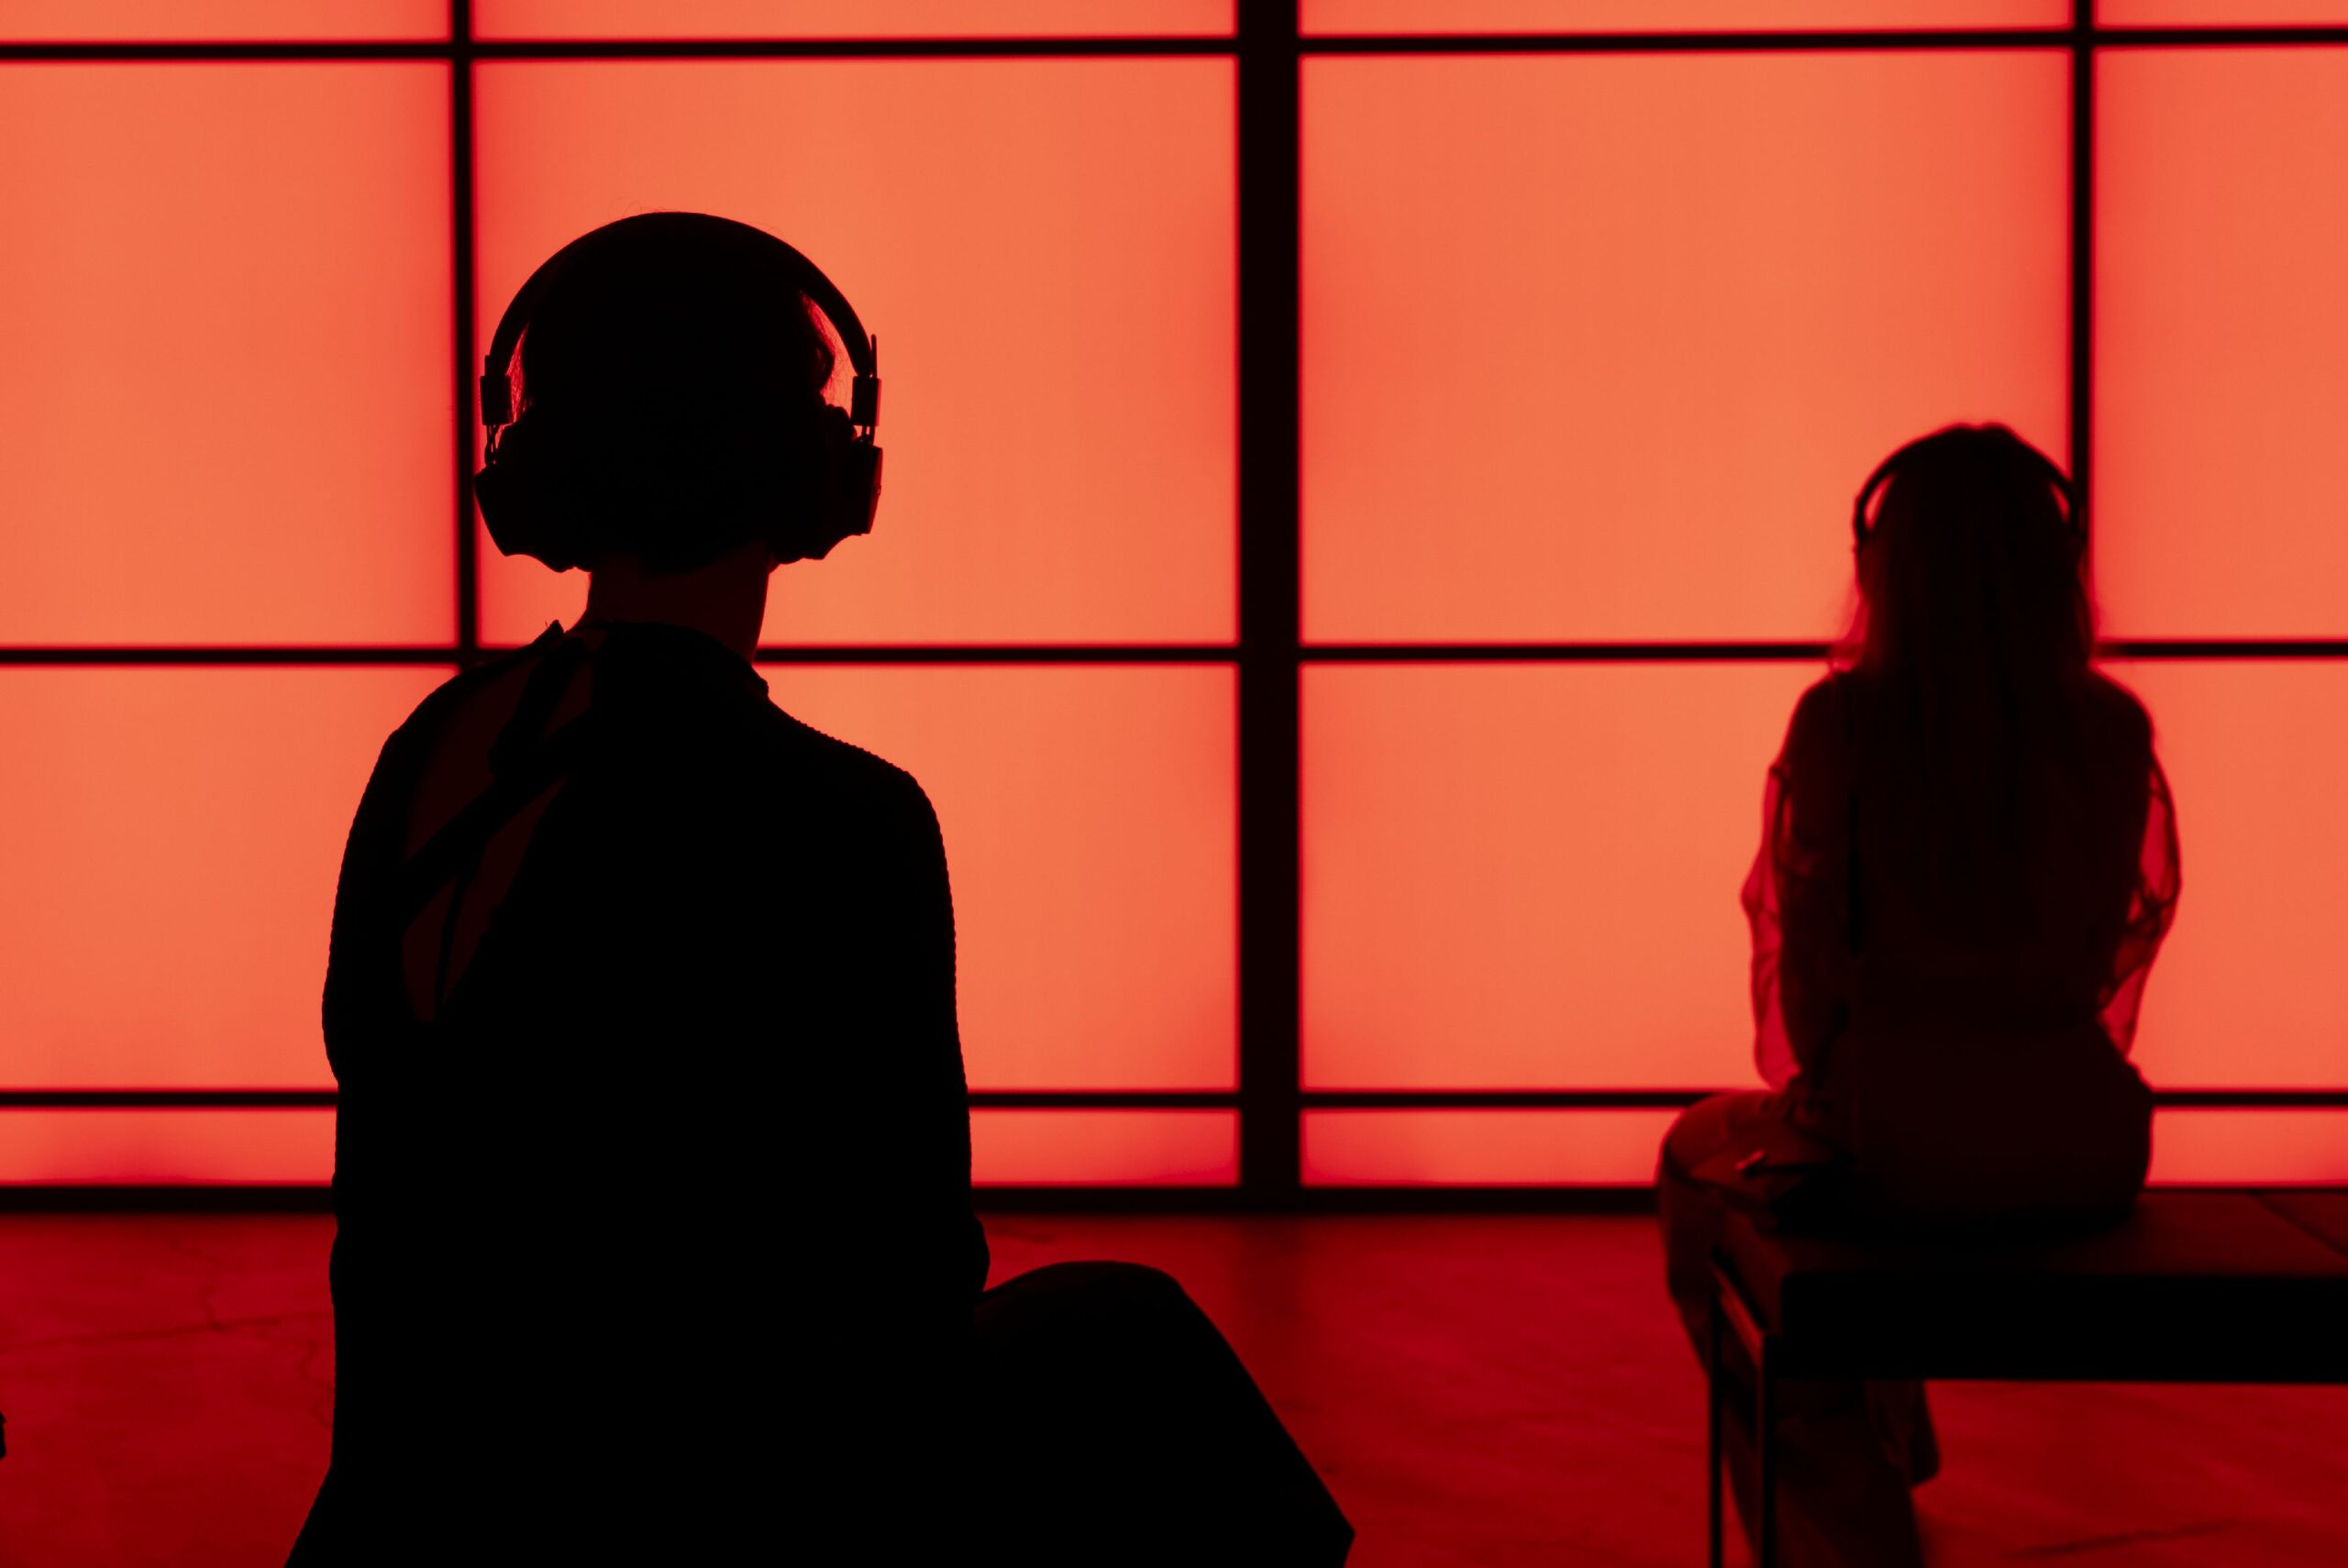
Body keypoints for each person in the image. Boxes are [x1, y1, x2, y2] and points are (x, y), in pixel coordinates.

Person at [287, 212, 1350, 1564]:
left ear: (539, 467)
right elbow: (910, 1273)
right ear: (817, 474)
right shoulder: (840, 813)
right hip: (710, 1499)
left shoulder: (430, 747)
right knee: (1129, 1344)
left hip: (409, 1500)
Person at [1656, 425, 2181, 1568]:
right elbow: (2112, 961)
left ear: (1882, 569)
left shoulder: (1840, 725)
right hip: (2084, 1149)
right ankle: (1892, 1437)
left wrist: (1859, 1072)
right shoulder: (2110, 731)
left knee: (1702, 1162)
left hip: (1891, 1145)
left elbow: (1807, 994)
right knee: (1854, 1171)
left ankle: (1846, 1510)